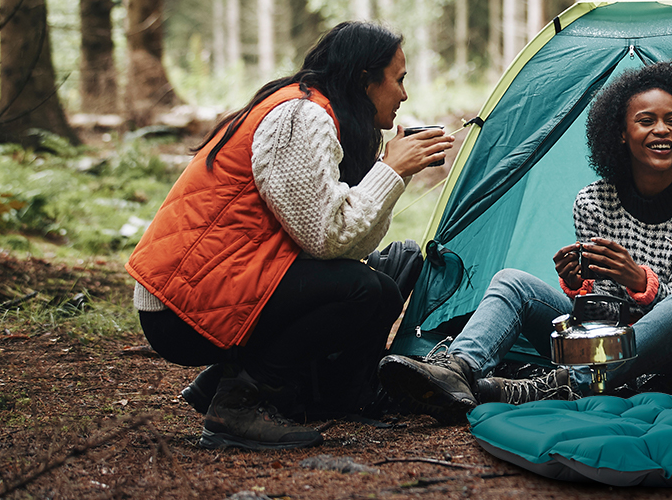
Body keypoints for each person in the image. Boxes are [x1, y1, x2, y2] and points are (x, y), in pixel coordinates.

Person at [127, 22, 455, 449]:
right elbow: (328, 238)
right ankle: (239, 402)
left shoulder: (317, 112)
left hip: (210, 286)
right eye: (399, 79)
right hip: (179, 304)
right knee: (366, 291)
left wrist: (393, 174)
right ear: (364, 79)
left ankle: (228, 383)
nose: (404, 95)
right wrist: (390, 171)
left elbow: (352, 245)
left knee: (380, 282)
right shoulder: (302, 116)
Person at [379, 59, 672, 414]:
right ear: (620, 133)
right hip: (612, 348)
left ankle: (568, 383)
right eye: (646, 121)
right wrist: (579, 287)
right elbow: (605, 312)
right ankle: (457, 369)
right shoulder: (594, 201)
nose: (663, 130)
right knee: (512, 283)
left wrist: (637, 278)